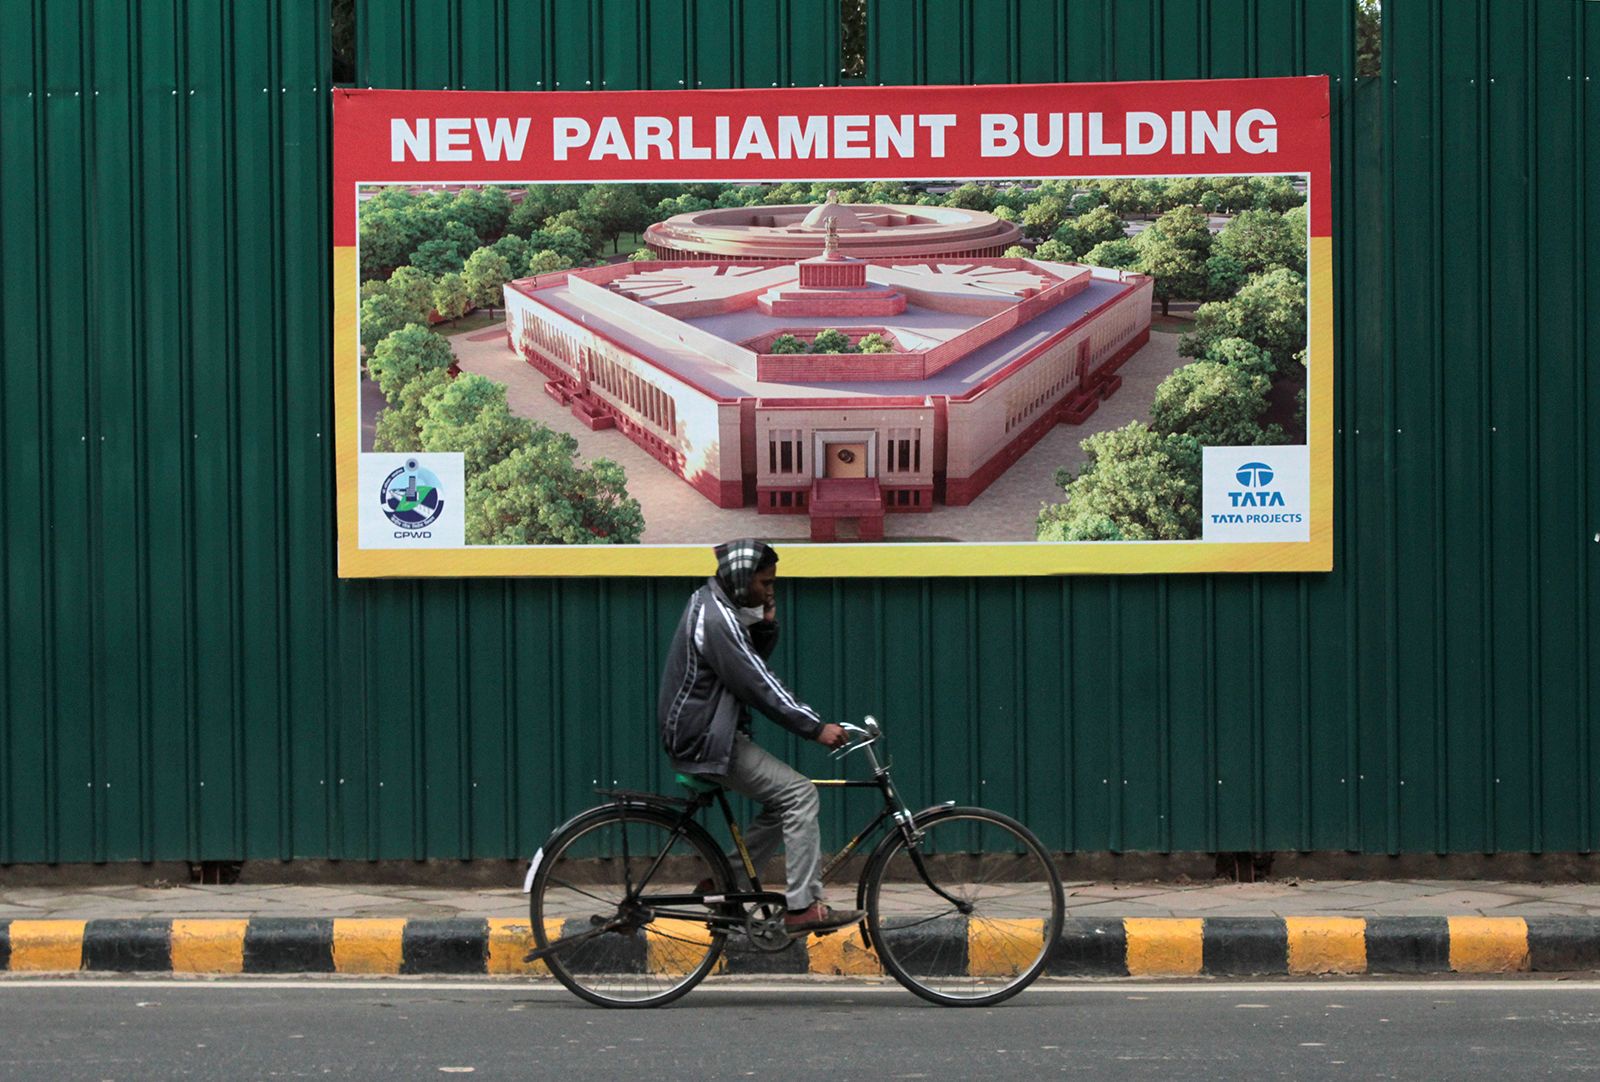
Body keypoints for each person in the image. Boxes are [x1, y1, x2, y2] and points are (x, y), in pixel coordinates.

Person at [657, 538, 864, 935]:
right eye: (765, 581)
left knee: (781, 802)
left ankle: (722, 883)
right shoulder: (717, 619)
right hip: (704, 739)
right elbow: (757, 682)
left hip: (708, 733)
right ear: (740, 579)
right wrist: (814, 727)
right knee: (800, 794)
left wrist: (765, 624)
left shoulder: (715, 605)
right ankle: (803, 907)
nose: (770, 589)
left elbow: (747, 664)